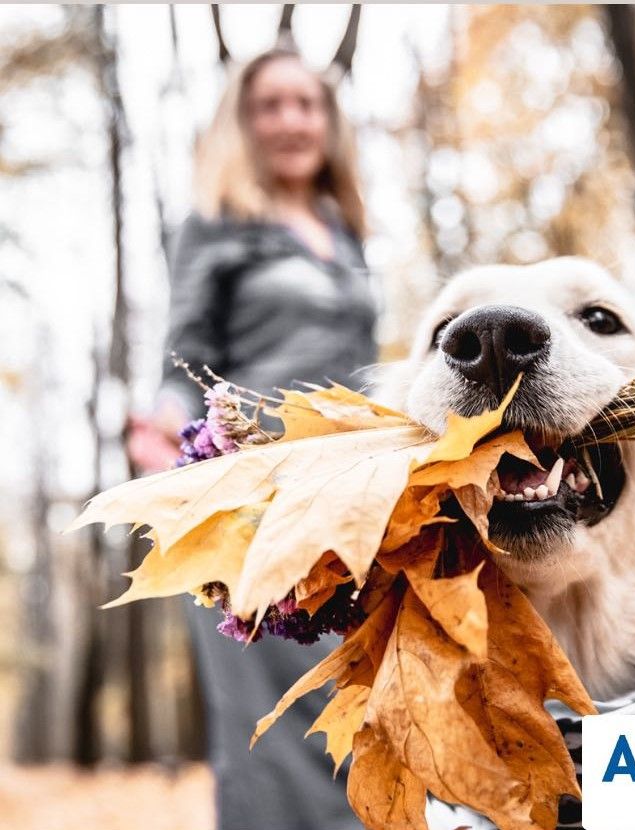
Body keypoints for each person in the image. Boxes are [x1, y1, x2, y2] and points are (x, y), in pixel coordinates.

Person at [128, 47, 376, 830]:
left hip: (347, 494)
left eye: (306, 104)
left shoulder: (345, 231)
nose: (291, 120)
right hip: (247, 491)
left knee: (350, 707)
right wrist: (163, 427)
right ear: (244, 123)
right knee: (268, 723)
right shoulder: (216, 224)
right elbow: (185, 355)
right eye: (269, 105)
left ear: (328, 122)